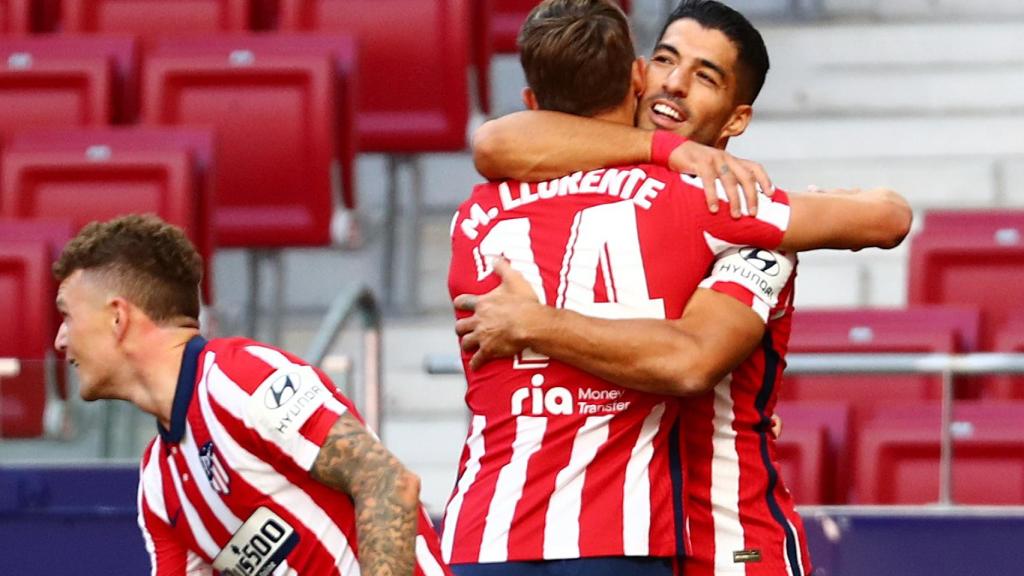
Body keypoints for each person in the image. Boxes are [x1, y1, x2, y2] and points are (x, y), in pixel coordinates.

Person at [443, 2, 909, 576]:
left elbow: (693, 358)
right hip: (630, 531)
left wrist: (534, 323)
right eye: (665, 59)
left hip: (728, 540)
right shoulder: (602, 186)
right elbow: (493, 142)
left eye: (705, 76)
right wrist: (665, 150)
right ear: (638, 73)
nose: (674, 83)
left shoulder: (743, 223)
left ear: (736, 120)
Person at [52, 214, 450, 576]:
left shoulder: (240, 378)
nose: (60, 339)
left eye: (68, 315)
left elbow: (385, 481)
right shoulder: (159, 483)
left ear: (118, 317)